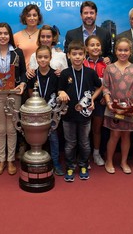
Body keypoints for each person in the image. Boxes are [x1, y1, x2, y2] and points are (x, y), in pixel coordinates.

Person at [0, 23, 27, 176]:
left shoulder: (17, 52)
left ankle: (10, 160)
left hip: (14, 93)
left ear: (10, 36)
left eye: (6, 33)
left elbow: (23, 72)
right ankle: (1, 160)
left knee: (11, 129)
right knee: (1, 129)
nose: (2, 36)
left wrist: (22, 83)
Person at [58, 40, 102, 182]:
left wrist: (93, 99)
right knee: (70, 143)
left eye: (80, 54)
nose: (77, 57)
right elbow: (59, 89)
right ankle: (70, 166)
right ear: (69, 55)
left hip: (85, 115)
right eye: (74, 54)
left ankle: (83, 164)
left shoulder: (89, 72)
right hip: (68, 115)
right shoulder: (65, 73)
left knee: (84, 142)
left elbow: (100, 87)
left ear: (84, 56)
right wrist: (61, 92)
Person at [102, 38, 133, 175]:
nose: (123, 52)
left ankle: (124, 161)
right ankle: (109, 161)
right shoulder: (110, 68)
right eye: (120, 50)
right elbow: (106, 88)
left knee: (126, 136)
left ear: (130, 52)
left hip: (130, 109)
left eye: (126, 50)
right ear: (116, 51)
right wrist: (109, 103)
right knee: (114, 134)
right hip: (114, 108)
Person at [27, 45, 63, 175]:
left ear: (50, 58)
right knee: (36, 137)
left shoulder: (56, 75)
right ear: (36, 59)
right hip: (37, 113)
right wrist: (36, 108)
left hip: (52, 114)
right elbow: (30, 93)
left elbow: (59, 93)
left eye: (46, 57)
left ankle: (55, 163)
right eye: (40, 57)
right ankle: (38, 163)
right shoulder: (32, 75)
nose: (43, 60)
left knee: (53, 138)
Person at [84, 35, 107, 167]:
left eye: (98, 45)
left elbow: (108, 83)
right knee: (85, 130)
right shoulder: (82, 62)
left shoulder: (106, 64)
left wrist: (105, 96)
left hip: (100, 101)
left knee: (97, 129)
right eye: (92, 45)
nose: (95, 47)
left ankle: (96, 153)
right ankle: (85, 154)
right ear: (86, 48)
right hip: (84, 102)